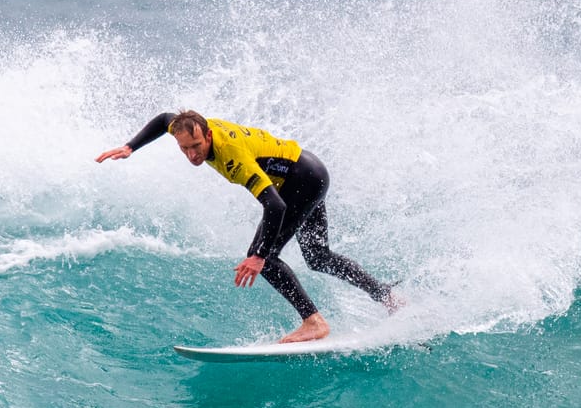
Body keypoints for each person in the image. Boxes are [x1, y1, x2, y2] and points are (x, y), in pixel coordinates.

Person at [95, 110, 398, 343]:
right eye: (184, 148)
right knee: (318, 256)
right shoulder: (186, 126)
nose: (192, 155)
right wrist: (130, 147)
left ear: (209, 135)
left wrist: (259, 256)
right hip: (310, 170)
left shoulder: (233, 157)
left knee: (265, 258)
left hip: (304, 180)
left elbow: (275, 206)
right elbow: (164, 120)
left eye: (197, 146)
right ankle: (386, 296)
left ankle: (313, 322)